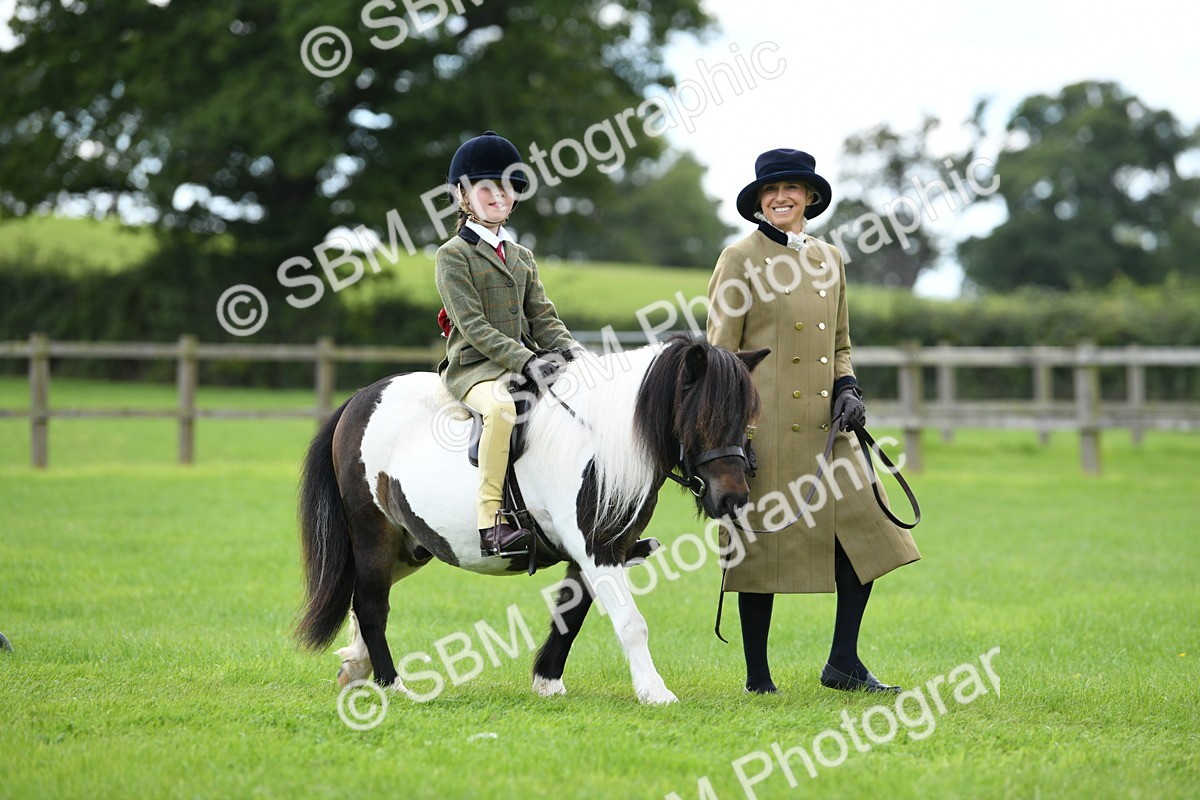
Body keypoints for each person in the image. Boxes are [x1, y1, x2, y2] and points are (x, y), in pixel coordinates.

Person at [706, 148, 921, 694]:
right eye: (770, 190)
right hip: (763, 429)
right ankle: (758, 678)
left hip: (830, 430)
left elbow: (841, 345)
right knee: (759, 549)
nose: (781, 197)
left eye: (792, 189)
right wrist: (730, 432)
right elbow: (720, 356)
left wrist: (847, 385)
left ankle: (843, 662)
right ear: (759, 201)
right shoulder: (739, 258)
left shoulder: (831, 259)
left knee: (870, 535)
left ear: (810, 197)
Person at [435, 131, 578, 558]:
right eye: (486, 188)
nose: (498, 196)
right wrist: (529, 360)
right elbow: (474, 327)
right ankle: (490, 522)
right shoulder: (452, 255)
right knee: (501, 409)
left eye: (506, 187)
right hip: (475, 369)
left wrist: (576, 357)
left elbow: (544, 318)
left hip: (522, 363)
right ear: (462, 195)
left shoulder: (521, 256)